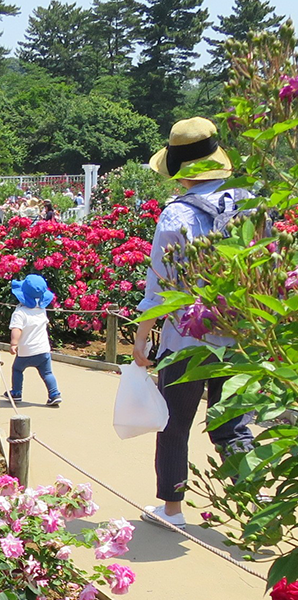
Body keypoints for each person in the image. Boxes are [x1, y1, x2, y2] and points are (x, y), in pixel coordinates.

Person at [132, 116, 255, 530]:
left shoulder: (174, 217)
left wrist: (141, 340)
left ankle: (172, 511)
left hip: (186, 338)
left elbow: (159, 287)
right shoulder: (248, 202)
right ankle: (254, 513)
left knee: (174, 423)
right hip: (239, 334)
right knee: (232, 424)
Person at [6, 274, 62, 407]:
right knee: (47, 373)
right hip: (43, 350)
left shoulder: (20, 312)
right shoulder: (42, 310)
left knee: (17, 369)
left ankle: (16, 393)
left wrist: (14, 343)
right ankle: (54, 394)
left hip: (26, 351)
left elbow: (16, 329)